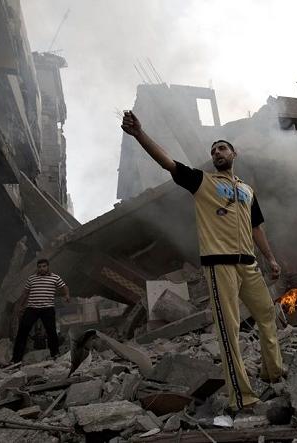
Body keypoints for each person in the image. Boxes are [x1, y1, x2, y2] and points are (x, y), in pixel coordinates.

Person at [121, 110, 284, 412]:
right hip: (219, 264)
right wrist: (139, 134)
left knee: (266, 315)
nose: (217, 152)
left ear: (235, 153)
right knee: (229, 328)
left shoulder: (247, 191)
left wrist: (271, 259)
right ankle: (242, 396)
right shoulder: (202, 182)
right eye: (213, 150)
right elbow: (167, 162)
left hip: (249, 264)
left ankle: (273, 371)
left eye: (222, 147)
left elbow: (256, 227)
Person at [11, 258, 70, 363]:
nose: (42, 268)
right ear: (37, 268)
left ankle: (55, 354)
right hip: (32, 309)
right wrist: (20, 306)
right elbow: (25, 293)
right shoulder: (31, 279)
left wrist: (67, 295)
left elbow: (64, 287)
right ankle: (16, 358)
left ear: (48, 267)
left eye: (44, 266)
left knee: (51, 332)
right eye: (39, 267)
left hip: (47, 309)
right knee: (22, 332)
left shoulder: (55, 277)